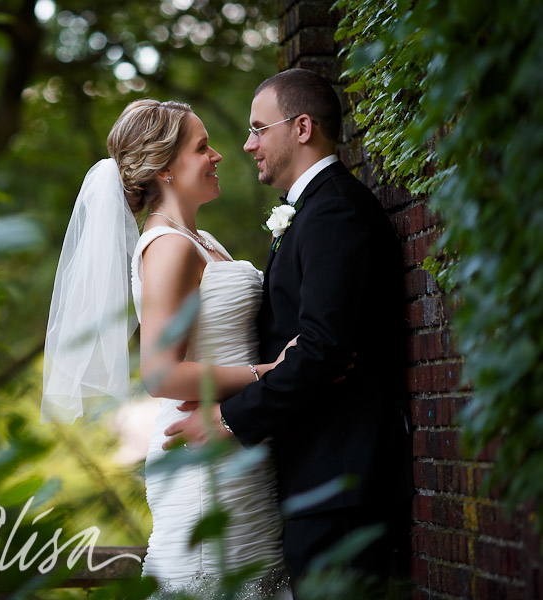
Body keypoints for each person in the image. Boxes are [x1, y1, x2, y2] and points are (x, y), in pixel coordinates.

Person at [164, 69, 412, 594]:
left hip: (340, 481)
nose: (247, 145)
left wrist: (229, 418)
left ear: (301, 128)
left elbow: (322, 350)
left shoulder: (334, 213)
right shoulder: (314, 211)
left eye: (258, 128)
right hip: (318, 478)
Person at [41, 99, 295, 597]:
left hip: (235, 449)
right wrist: (270, 371)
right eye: (203, 148)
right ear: (164, 169)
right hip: (204, 464)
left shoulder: (202, 240)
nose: (219, 155)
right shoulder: (168, 249)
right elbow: (160, 375)